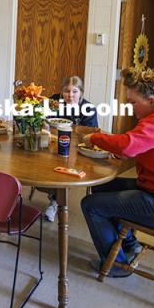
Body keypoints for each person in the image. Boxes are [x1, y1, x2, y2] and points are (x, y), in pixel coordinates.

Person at [81, 67, 154, 277]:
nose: (130, 107)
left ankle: (117, 266)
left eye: (133, 102)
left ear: (152, 101)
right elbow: (143, 147)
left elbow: (128, 145)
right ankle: (130, 244)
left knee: (90, 205)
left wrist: (95, 137)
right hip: (153, 188)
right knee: (100, 186)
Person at [44, 76, 98, 222]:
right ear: (61, 92)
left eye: (74, 91)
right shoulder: (54, 102)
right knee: (44, 164)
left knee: (66, 164)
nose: (70, 95)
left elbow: (89, 134)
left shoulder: (88, 109)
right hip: (53, 145)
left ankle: (56, 201)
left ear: (81, 92)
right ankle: (54, 198)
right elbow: (43, 120)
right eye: (66, 91)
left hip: (76, 148)